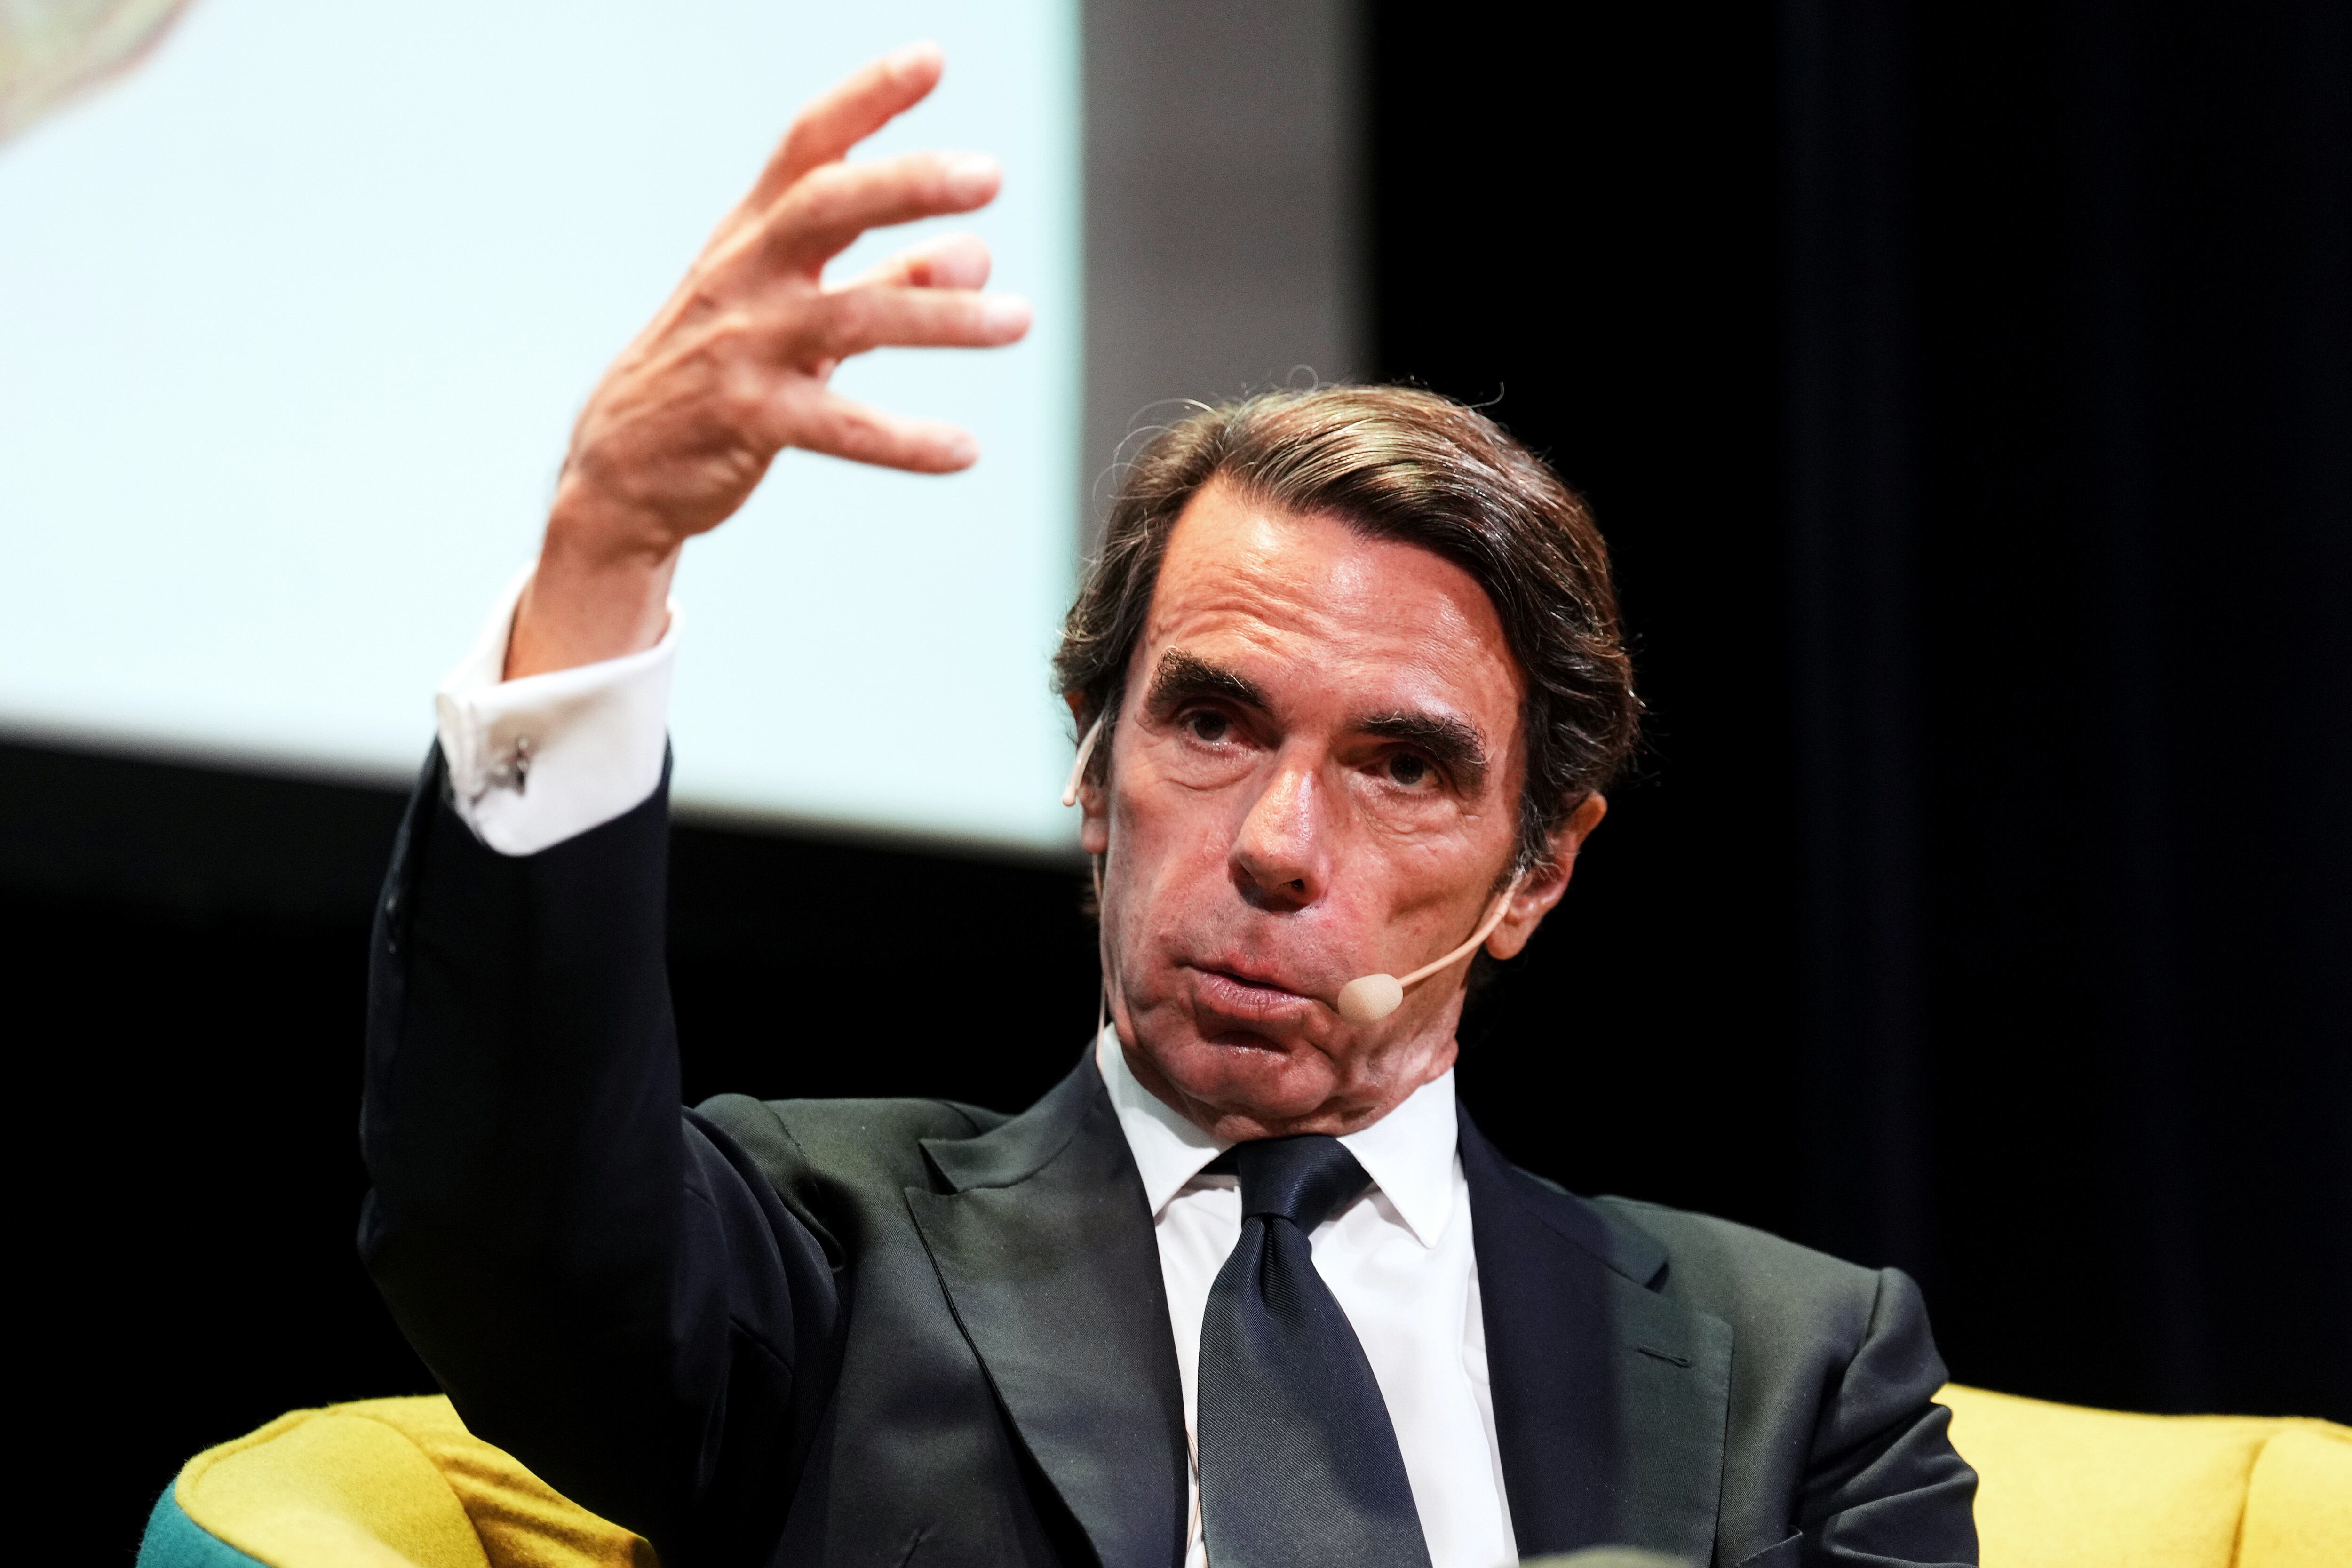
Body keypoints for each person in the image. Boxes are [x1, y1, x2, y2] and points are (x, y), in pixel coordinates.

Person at [359, 44, 1978, 1568]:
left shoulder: (1801, 1376)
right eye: (1212, 722)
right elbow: (504, 1229)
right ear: (1090, 764)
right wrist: (606, 549)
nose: (1276, 847)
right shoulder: (826, 1255)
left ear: (1537, 873)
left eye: (1403, 768)